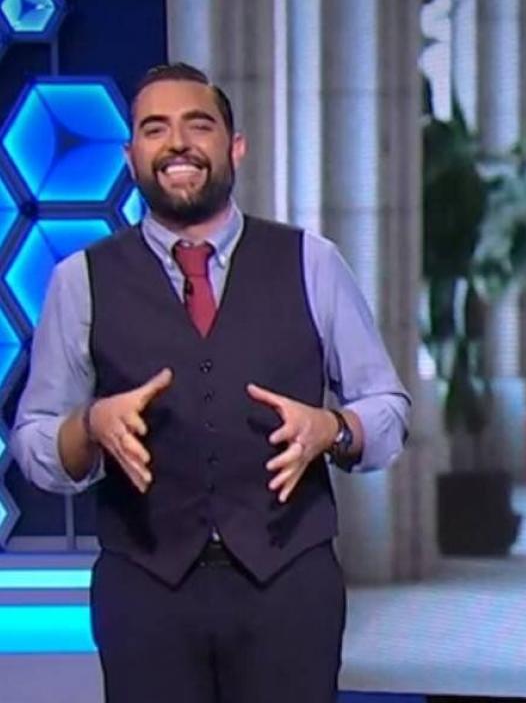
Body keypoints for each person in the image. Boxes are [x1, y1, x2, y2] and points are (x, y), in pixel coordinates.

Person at [9, 62, 411, 703]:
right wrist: (90, 426)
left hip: (289, 588)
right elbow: (34, 443)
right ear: (130, 155)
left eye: (198, 125)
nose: (177, 144)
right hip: (144, 595)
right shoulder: (79, 280)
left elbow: (388, 408)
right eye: (154, 129)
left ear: (235, 146)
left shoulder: (311, 262)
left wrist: (333, 428)